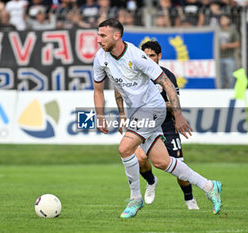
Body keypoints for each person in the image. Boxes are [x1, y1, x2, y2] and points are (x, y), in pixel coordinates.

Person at [93, 18, 222, 218]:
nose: (98, 39)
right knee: (162, 162)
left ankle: (135, 199)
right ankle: (209, 185)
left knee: (125, 148)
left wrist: (177, 115)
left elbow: (167, 84)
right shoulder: (101, 58)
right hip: (137, 111)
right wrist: (100, 115)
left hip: (154, 108)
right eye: (98, 34)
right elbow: (98, 90)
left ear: (116, 36)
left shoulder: (137, 56)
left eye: (102, 35)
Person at [114, 40, 199, 210]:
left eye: (152, 55)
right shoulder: (135, 73)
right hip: (144, 124)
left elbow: (174, 102)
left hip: (167, 125)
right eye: (146, 55)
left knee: (178, 166)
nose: (149, 59)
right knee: (139, 158)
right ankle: (151, 181)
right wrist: (122, 114)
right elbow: (118, 91)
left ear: (159, 56)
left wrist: (158, 105)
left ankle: (190, 200)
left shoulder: (166, 76)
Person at [219, 14, 240, 88]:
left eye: (224, 19)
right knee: (220, 78)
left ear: (228, 20)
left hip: (229, 57)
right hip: (218, 57)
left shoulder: (232, 30)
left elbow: (238, 43)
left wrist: (227, 45)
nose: (223, 21)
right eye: (221, 19)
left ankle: (231, 94)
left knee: (230, 77)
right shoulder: (217, 30)